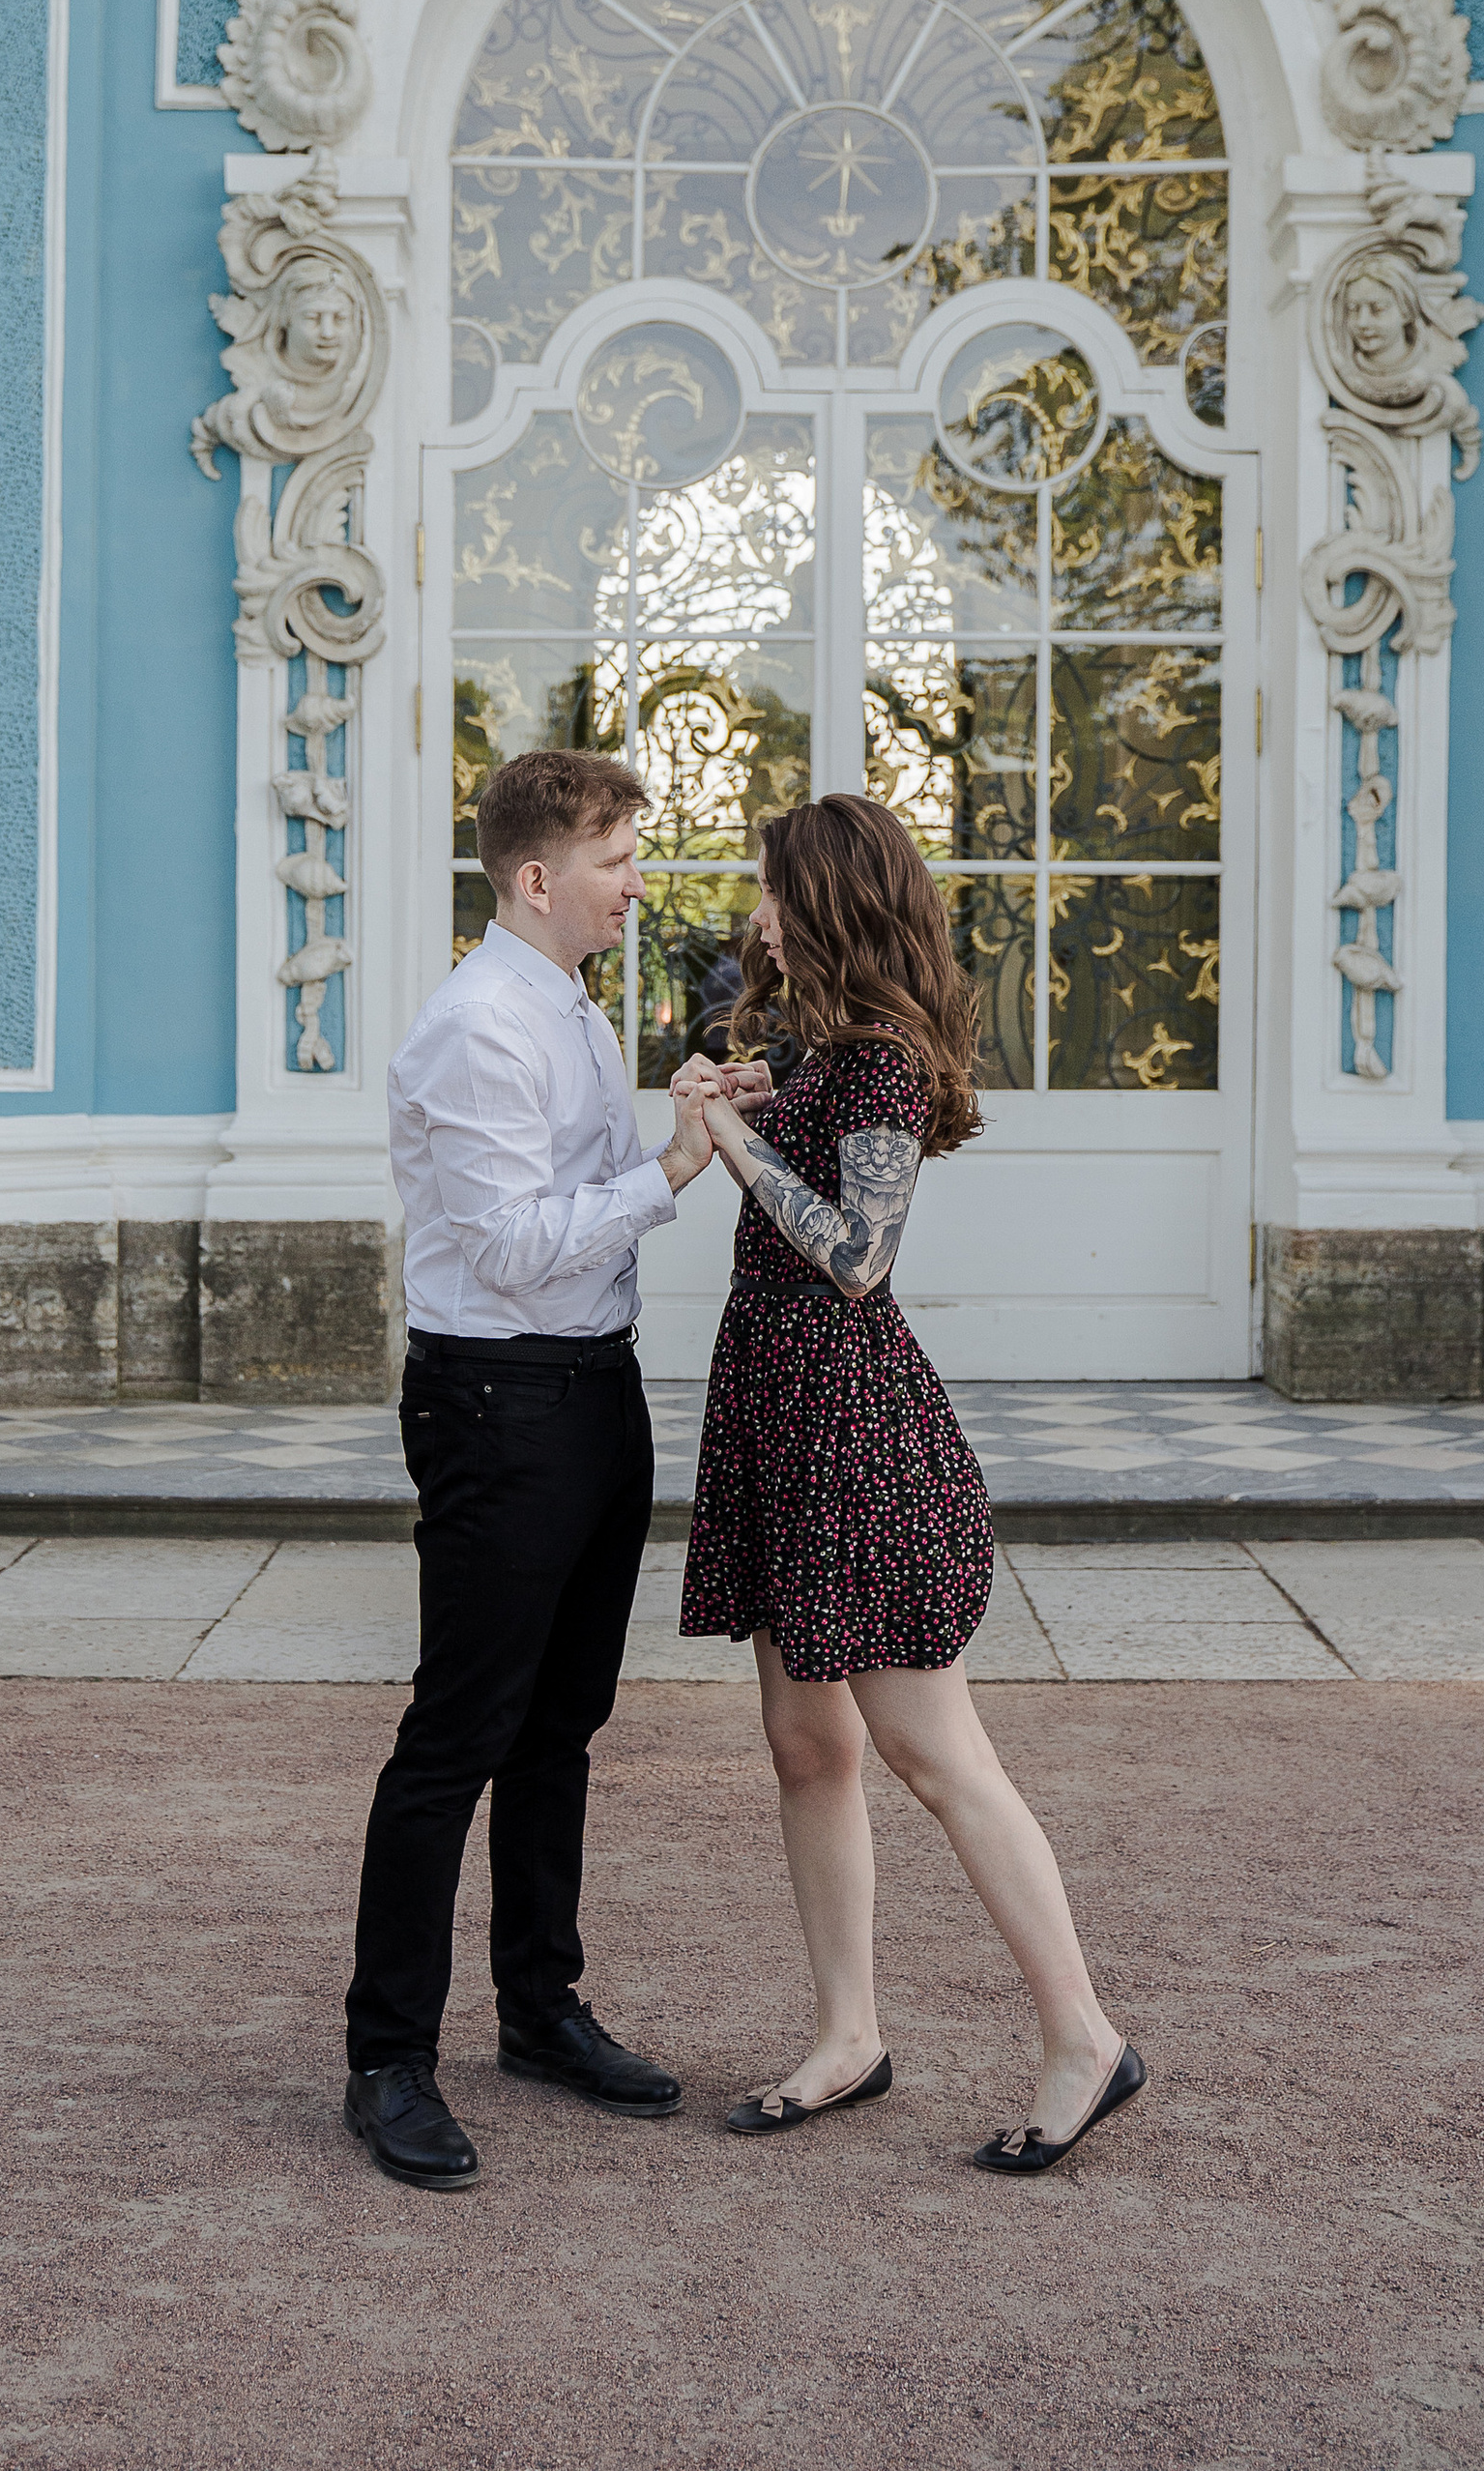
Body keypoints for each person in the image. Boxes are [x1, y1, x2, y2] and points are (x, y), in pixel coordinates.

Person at [672, 793, 1145, 2176]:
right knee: (808, 1749)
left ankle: (1082, 2037)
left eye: (768, 889)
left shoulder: (876, 1061)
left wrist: (740, 1141)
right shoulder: (820, 1059)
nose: (753, 912)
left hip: (853, 1438)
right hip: (783, 1423)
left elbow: (859, 1252)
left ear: (819, 901)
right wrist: (757, 1096)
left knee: (937, 1755)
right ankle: (848, 2037)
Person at [342, 745, 750, 2194]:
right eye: (619, 860)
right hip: (496, 1405)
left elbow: (567, 1203)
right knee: (458, 1732)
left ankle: (537, 2013)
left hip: (594, 1390)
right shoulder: (475, 1027)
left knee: (563, 1722)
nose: (640, 882)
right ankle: (388, 2056)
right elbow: (513, 1245)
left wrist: (684, 1119)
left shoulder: (570, 1007)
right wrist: (677, 1173)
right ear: (536, 879)